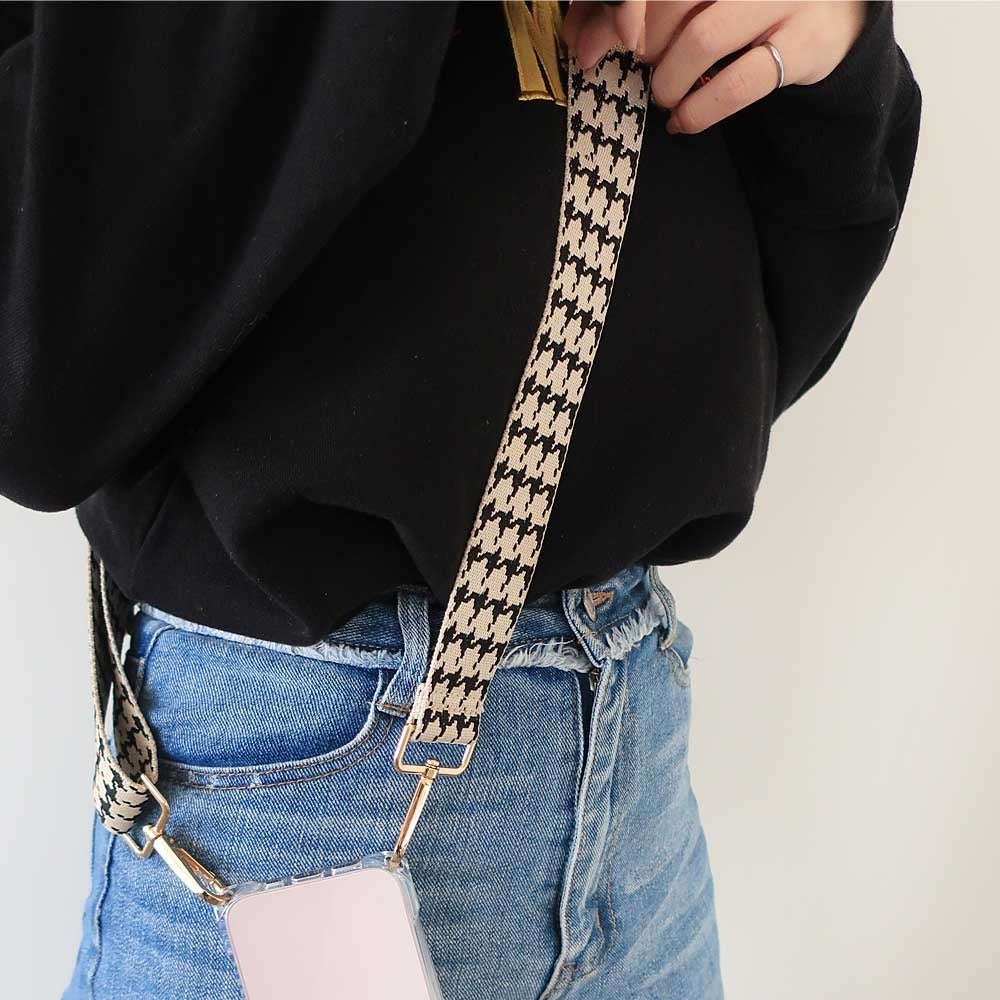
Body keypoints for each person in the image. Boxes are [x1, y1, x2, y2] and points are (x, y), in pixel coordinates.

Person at [0, 3, 920, 998]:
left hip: (636, 758)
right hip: (296, 778)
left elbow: (763, 324)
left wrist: (831, 44)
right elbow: (34, 363)